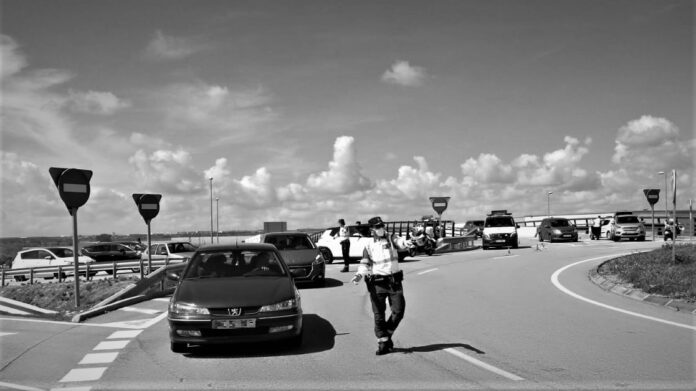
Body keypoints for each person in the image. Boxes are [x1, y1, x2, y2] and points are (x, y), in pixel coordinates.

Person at [351, 216, 406, 355]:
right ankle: (382, 342)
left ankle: (386, 335)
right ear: (372, 229)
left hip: (394, 282)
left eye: (382, 226)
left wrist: (409, 242)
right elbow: (364, 264)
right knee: (379, 315)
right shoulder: (369, 245)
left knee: (399, 311)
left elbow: (401, 242)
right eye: (377, 227)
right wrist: (359, 275)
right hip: (377, 284)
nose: (381, 229)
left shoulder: (391, 238)